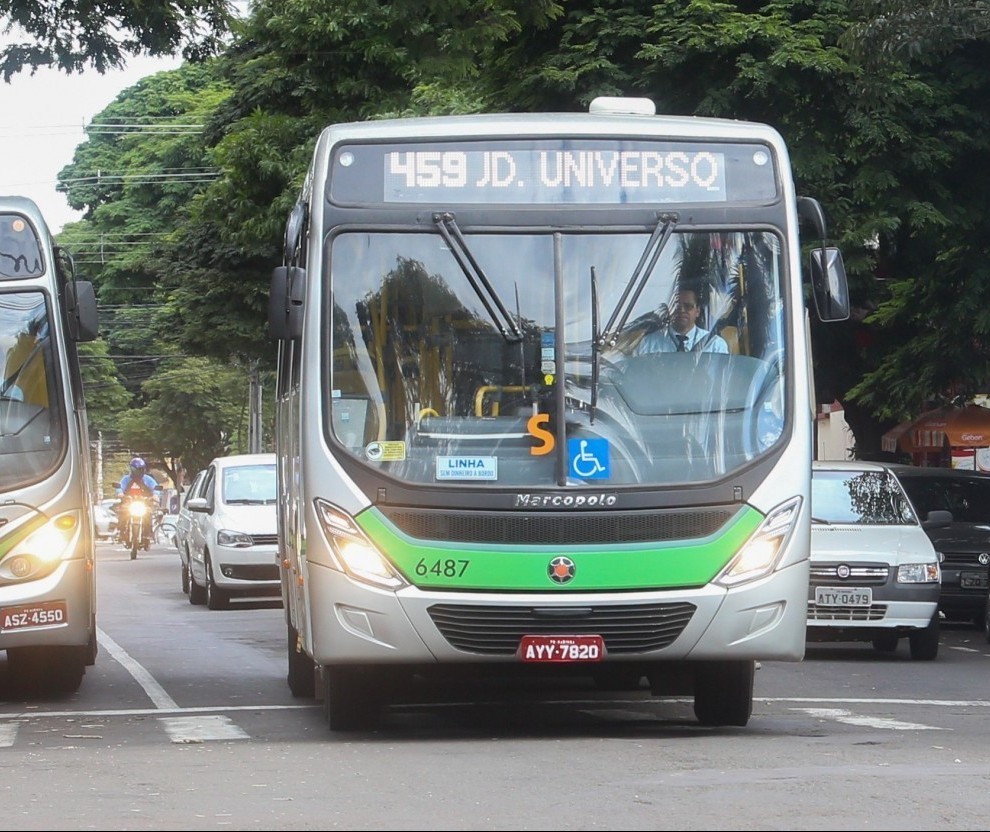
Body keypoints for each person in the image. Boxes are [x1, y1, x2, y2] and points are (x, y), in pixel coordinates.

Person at [633, 286, 729, 355]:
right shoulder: (648, 344)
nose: (681, 310)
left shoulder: (715, 345)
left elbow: (720, 380)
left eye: (688, 306)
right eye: (676, 306)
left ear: (697, 311)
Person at [117, 457, 158, 548]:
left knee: (148, 514)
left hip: (144, 503)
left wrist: (155, 495)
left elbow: (155, 487)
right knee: (122, 513)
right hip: (129, 503)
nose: (138, 471)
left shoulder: (148, 479)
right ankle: (122, 532)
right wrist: (120, 493)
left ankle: (147, 535)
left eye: (140, 469)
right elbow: (120, 487)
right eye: (135, 469)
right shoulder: (126, 479)